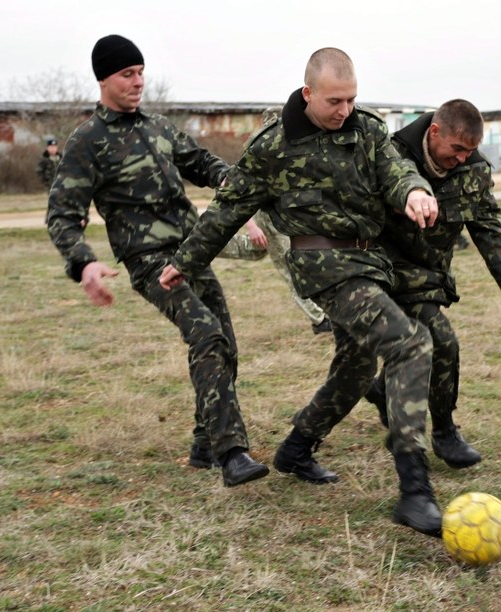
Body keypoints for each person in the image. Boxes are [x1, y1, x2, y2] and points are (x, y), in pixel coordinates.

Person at [159, 48, 445, 537]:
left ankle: (297, 446)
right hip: (324, 267)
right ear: (309, 93)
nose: (345, 110)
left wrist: (415, 190)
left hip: (371, 261)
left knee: (356, 369)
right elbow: (227, 209)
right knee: (410, 343)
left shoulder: (366, 129)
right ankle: (414, 489)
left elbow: (396, 171)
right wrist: (183, 263)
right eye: (335, 100)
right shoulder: (273, 146)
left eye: (352, 99)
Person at [45, 34, 269, 488]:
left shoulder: (159, 128)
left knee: (224, 341)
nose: (138, 81)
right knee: (206, 334)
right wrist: (84, 262)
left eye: (141, 72)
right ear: (104, 78)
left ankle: (205, 445)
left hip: (191, 252)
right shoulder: (88, 141)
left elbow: (205, 164)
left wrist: (240, 198)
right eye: (128, 74)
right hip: (148, 262)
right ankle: (232, 453)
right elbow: (63, 214)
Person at [363, 99, 501, 468]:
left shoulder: (472, 170)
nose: (461, 158)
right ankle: (436, 430)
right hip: (380, 271)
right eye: (457, 149)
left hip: (427, 275)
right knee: (439, 342)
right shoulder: (389, 154)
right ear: (435, 132)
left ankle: (431, 421)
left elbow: (489, 224)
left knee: (436, 345)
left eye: (469, 151)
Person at [218, 212, 333, 335]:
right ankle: (320, 321)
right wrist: (251, 226)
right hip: (270, 216)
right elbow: (239, 195)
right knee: (292, 269)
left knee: (255, 249)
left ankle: (204, 244)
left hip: (282, 212)